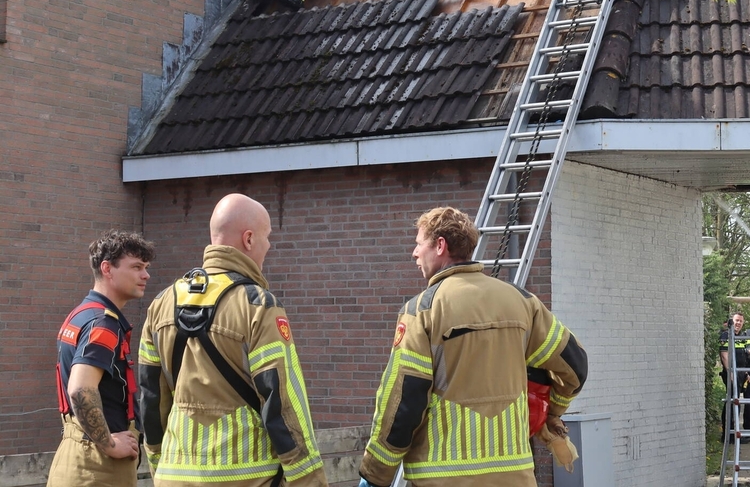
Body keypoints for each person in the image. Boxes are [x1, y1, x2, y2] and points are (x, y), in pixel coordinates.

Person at [357, 207, 588, 487]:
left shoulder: (422, 311)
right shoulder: (523, 302)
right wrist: (552, 412)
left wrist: (375, 475)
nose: (414, 254)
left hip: (442, 480)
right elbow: (575, 367)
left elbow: (403, 400)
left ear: (440, 245)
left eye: (419, 244)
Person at [137, 193, 327, 487]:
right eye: (267, 237)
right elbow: (284, 404)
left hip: (173, 476)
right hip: (245, 476)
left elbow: (151, 399)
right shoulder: (258, 306)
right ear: (249, 239)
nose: (269, 246)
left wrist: (159, 465)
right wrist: (309, 479)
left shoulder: (161, 303)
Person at [49, 230, 155, 487]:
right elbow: (80, 389)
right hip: (97, 466)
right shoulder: (104, 323)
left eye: (146, 267)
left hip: (75, 454)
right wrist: (109, 444)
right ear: (107, 268)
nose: (146, 275)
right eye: (137, 267)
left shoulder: (81, 314)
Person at [719, 312, 749, 444]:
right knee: (731, 402)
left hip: (740, 373)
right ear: (732, 321)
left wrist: (746, 373)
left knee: (735, 402)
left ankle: (734, 433)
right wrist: (730, 372)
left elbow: (742, 356)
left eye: (740, 321)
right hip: (731, 373)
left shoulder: (741, 337)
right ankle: (728, 435)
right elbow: (724, 355)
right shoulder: (726, 335)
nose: (738, 323)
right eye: (736, 320)